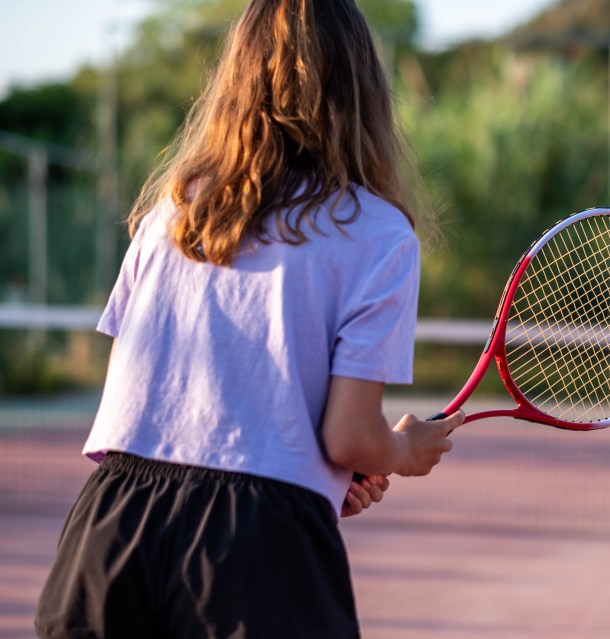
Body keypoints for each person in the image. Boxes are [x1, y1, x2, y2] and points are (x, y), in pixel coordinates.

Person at [35, 1, 464, 637]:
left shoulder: (170, 215)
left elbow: (164, 406)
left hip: (110, 528)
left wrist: (309, 475)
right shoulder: (379, 235)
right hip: (259, 552)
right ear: (362, 88)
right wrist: (397, 450)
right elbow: (349, 438)